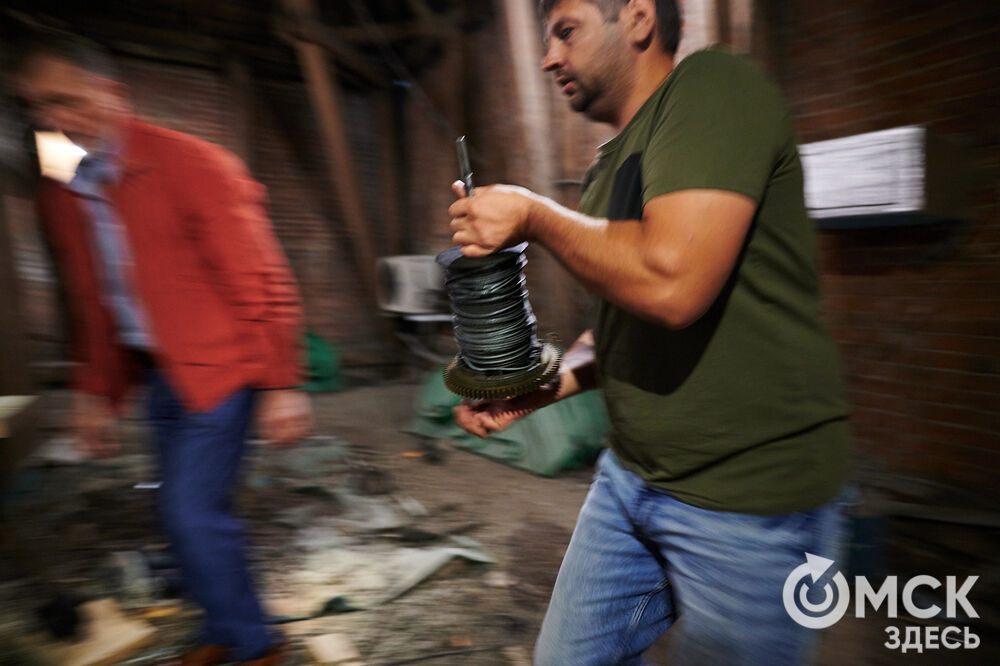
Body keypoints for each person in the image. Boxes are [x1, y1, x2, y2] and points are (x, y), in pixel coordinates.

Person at [448, 0, 851, 663]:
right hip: (630, 480)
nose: (549, 56)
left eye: (566, 30)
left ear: (637, 18)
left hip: (748, 503)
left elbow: (671, 284)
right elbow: (620, 329)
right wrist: (540, 388)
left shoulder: (715, 87)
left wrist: (533, 215)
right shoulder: (610, 171)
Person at [12, 31, 312, 665]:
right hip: (161, 373)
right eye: (38, 107)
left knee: (190, 510)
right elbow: (90, 305)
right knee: (171, 512)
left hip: (224, 369)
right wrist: (93, 396)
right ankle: (220, 631)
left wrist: (283, 383)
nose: (52, 120)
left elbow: (260, 276)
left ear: (111, 93)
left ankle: (259, 646)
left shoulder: (193, 165)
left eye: (66, 101)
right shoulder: (66, 190)